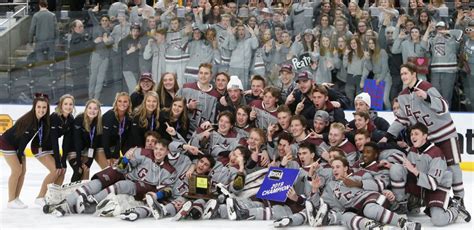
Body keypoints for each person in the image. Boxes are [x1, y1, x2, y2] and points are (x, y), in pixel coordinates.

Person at [381, 63, 466, 205]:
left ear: (414, 74)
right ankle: (423, 198)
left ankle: (459, 199)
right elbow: (402, 119)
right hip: (427, 140)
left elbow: (444, 106)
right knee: (425, 168)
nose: (403, 77)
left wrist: (427, 97)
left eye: (406, 73)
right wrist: (388, 135)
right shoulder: (402, 96)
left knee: (453, 166)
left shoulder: (426, 87)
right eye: (401, 74)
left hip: (445, 134)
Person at [385, 123, 471, 226]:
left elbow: (433, 184)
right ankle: (401, 204)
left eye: (416, 134)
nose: (413, 137)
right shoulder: (412, 150)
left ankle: (456, 208)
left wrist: (414, 170)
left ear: (425, 136)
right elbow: (408, 172)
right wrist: (392, 165)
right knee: (396, 168)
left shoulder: (436, 154)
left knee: (438, 220)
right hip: (419, 187)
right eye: (412, 134)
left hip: (436, 188)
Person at [0, 94, 49, 209]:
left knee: (23, 171)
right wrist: (19, 154)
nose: (41, 110)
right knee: (17, 170)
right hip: (7, 143)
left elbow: (23, 141)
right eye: (39, 107)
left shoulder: (39, 121)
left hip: (17, 146)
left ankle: (16, 198)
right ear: (34, 107)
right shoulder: (30, 121)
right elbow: (22, 139)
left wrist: (20, 153)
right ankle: (11, 200)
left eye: (44, 107)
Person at [44, 94, 75, 204]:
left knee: (62, 171)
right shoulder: (54, 117)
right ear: (61, 105)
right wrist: (58, 161)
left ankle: (55, 196)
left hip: (52, 148)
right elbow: (54, 141)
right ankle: (40, 197)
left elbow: (66, 142)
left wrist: (63, 161)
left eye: (70, 104)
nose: (68, 106)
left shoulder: (70, 119)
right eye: (65, 104)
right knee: (55, 170)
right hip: (41, 147)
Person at [176, 63, 220, 138]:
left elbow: (214, 119)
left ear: (211, 76)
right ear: (198, 74)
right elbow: (174, 107)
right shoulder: (186, 87)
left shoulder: (215, 96)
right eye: (201, 73)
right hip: (182, 130)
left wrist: (209, 123)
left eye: (206, 73)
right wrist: (187, 106)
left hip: (201, 134)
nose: (203, 76)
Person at [71, 99, 104, 182]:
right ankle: (71, 191)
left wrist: (89, 161)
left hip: (86, 150)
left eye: (95, 108)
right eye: (90, 108)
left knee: (86, 169)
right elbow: (77, 142)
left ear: (99, 111)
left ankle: (83, 192)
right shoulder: (79, 119)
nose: (92, 111)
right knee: (79, 170)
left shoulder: (98, 123)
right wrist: (79, 161)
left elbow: (94, 144)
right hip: (73, 149)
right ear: (86, 109)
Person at [102, 92, 132, 167]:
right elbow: (105, 138)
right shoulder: (109, 115)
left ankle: (121, 171)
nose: (122, 104)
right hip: (104, 147)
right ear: (116, 102)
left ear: (129, 103)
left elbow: (123, 138)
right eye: (120, 101)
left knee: (121, 167)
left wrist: (116, 156)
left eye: (125, 101)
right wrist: (108, 157)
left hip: (118, 147)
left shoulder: (129, 118)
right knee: (109, 169)